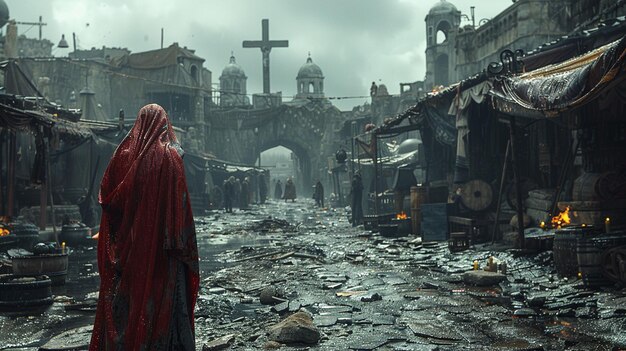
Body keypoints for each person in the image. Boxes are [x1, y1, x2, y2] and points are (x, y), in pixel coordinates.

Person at [90, 104, 199, 350]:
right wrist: (182, 247)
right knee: (160, 305)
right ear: (164, 125)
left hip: (128, 251)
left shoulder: (121, 157)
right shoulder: (170, 158)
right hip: (163, 254)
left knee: (127, 305)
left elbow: (109, 202)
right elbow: (181, 211)